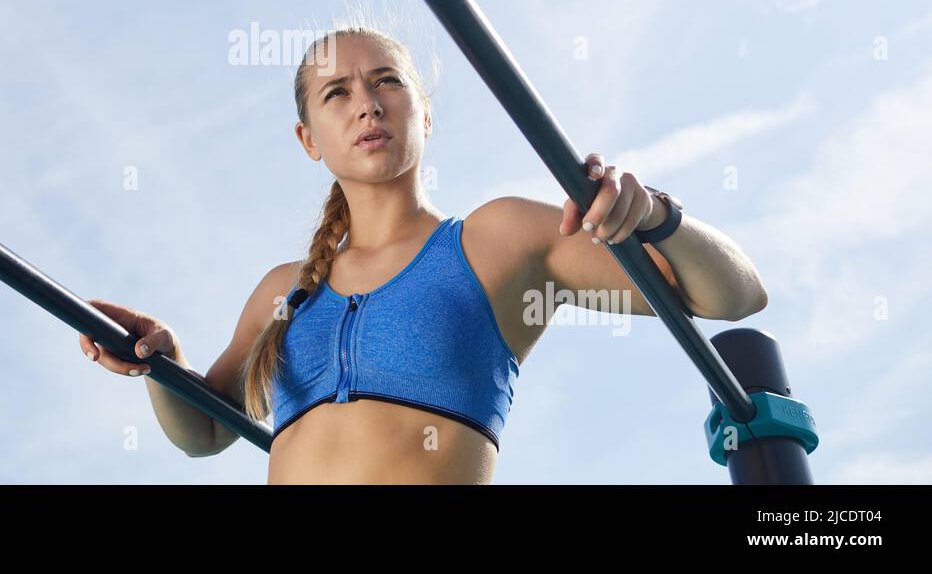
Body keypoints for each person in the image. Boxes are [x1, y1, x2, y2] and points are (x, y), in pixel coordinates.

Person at [80, 25, 768, 483]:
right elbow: (202, 431)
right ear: (308, 138)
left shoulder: (495, 240)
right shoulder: (282, 291)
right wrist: (159, 364)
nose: (367, 106)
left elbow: (731, 294)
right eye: (337, 93)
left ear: (425, 113)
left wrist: (653, 213)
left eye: (386, 82)